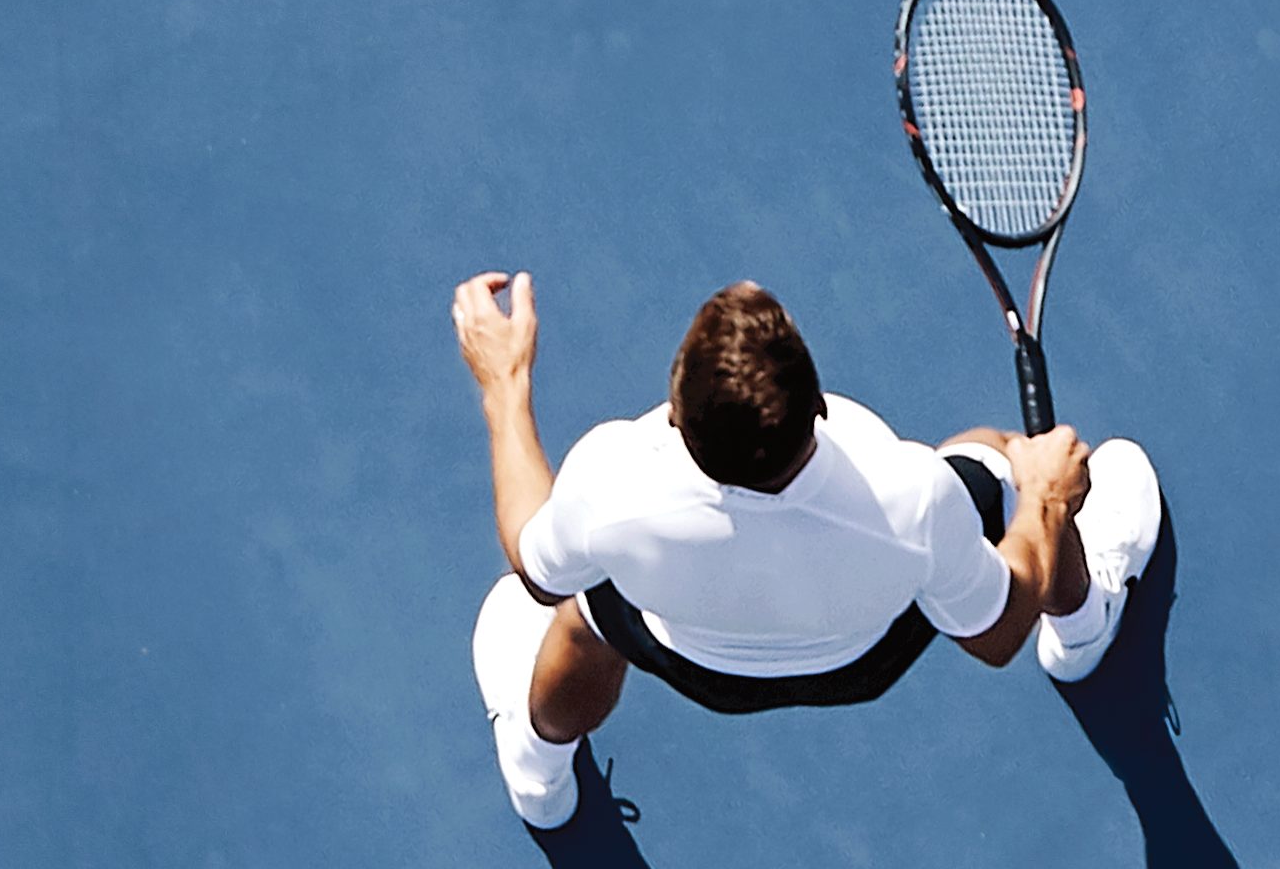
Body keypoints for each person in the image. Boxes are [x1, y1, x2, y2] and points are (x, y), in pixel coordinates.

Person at [453, 268, 1234, 867]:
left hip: (690, 659)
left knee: (582, 619)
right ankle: (1084, 630)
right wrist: (1048, 500)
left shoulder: (610, 483)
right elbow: (994, 633)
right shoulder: (910, 497)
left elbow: (535, 563)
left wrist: (505, 382)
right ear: (817, 402)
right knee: (996, 458)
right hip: (866, 659)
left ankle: (541, 776)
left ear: (677, 414)